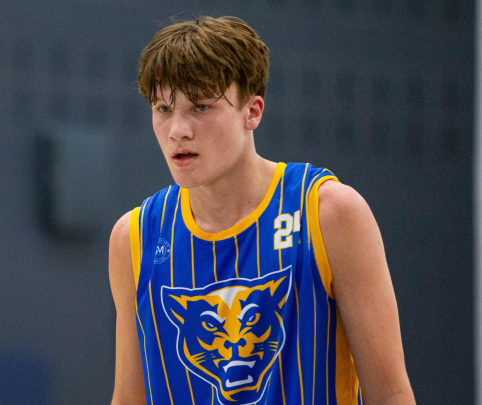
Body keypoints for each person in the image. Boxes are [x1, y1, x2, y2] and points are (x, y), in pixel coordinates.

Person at [109, 16, 414, 405]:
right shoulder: (132, 238)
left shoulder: (329, 213)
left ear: (252, 111)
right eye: (163, 108)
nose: (178, 130)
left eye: (200, 106)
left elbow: (390, 395)